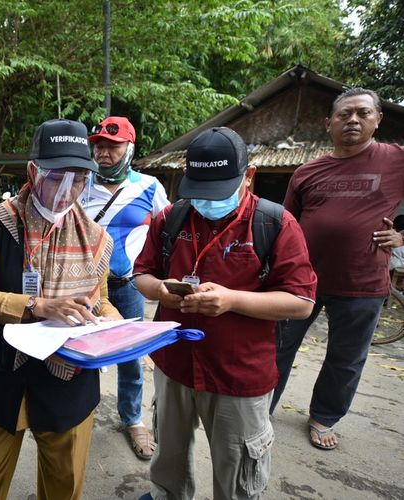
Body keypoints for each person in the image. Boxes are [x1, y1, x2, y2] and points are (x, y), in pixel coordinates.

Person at [133, 127, 317, 500]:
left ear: (248, 177)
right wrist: (159, 290)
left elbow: (301, 303)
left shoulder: (275, 224)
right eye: (198, 190)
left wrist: (232, 301)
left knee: (238, 470)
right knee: (168, 453)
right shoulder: (171, 218)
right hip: (175, 362)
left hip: (238, 372)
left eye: (217, 191)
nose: (206, 201)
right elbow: (142, 273)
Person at [0, 118, 121, 500]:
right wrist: (36, 305)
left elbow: (102, 299)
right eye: (56, 177)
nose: (67, 191)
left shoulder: (95, 238)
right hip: (2, 378)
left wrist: (114, 324)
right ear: (33, 171)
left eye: (78, 179)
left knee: (64, 488)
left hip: (69, 383)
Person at [271, 88, 404, 450]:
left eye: (363, 113)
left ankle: (324, 416)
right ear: (328, 123)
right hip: (301, 281)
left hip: (362, 283)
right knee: (278, 347)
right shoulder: (307, 171)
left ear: (378, 120)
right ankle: (259, 409)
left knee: (345, 358)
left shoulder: (396, 160)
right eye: (345, 115)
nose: (353, 120)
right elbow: (288, 224)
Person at [80, 116, 168, 460]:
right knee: (84, 354)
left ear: (129, 149)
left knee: (130, 358)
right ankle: (80, 416)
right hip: (84, 287)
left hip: (129, 286)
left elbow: (167, 231)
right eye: (98, 145)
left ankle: (133, 419)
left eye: (112, 146)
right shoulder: (80, 185)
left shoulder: (149, 186)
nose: (103, 152)